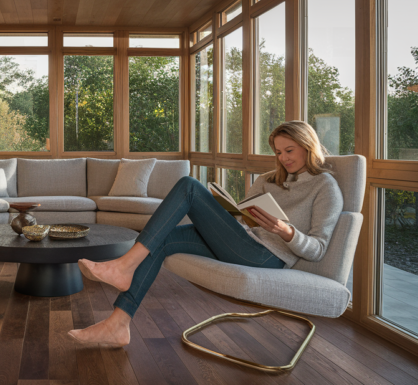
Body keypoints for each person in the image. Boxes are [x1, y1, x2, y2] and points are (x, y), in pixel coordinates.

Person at [69, 121, 343, 346]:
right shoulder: (269, 180)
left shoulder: (325, 186)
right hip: (245, 241)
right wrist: (230, 211)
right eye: (279, 152)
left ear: (308, 146)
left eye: (289, 151)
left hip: (267, 256)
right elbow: (244, 217)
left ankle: (124, 265)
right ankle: (118, 324)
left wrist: (287, 232)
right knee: (163, 239)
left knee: (189, 186)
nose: (283, 158)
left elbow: (318, 248)